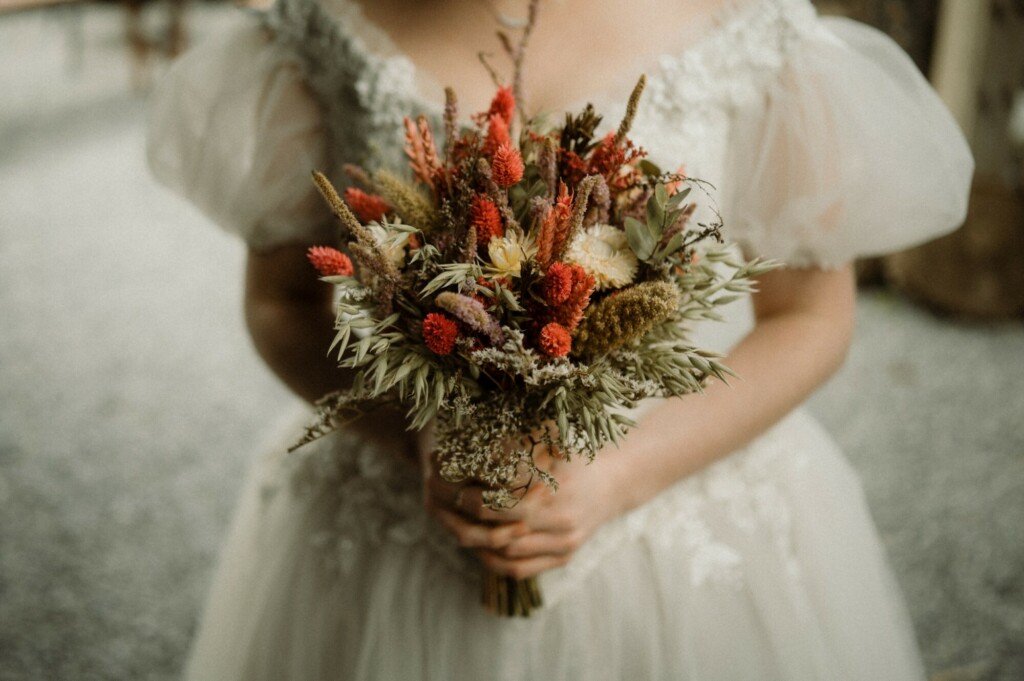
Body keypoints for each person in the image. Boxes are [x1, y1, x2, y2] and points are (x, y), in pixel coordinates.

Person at [147, 0, 973, 678]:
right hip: (406, 497)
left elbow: (813, 317)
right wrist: (421, 444)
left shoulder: (750, 25)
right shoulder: (319, 25)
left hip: (675, 487)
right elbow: (282, 303)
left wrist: (613, 477)